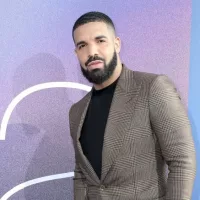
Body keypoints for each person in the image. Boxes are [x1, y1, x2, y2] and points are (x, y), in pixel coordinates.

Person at [69, 11, 196, 200]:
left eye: (100, 40)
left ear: (117, 44)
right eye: (82, 45)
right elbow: (81, 174)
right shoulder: (77, 111)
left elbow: (182, 160)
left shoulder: (152, 88)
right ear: (77, 53)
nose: (92, 52)